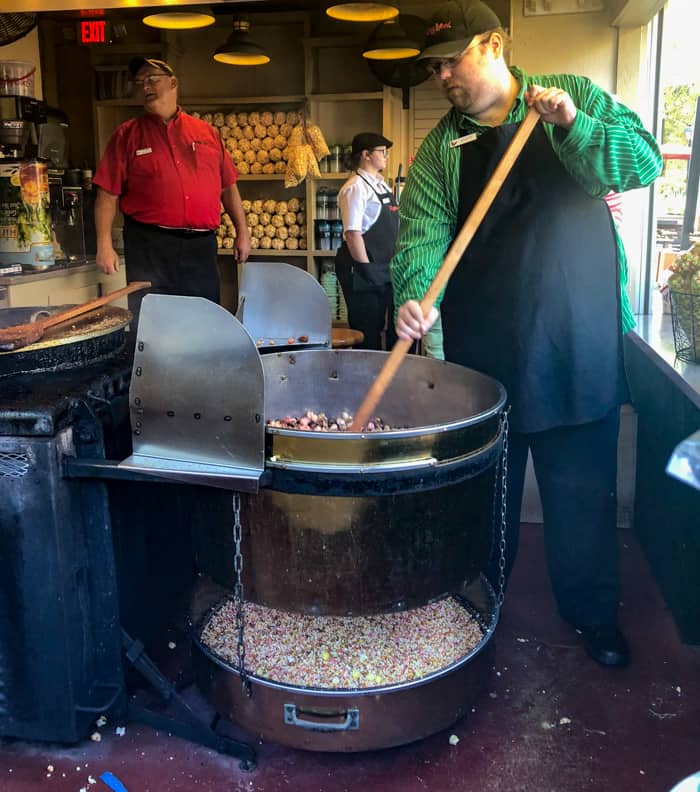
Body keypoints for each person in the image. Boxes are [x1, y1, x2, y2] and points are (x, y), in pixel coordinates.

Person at [392, 0, 663, 668]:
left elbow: (640, 163)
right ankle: (480, 611)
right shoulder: (441, 147)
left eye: (453, 57)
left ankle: (593, 616)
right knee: (487, 500)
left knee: (582, 500)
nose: (443, 74)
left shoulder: (571, 94)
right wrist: (414, 298)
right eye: (434, 65)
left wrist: (572, 126)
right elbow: (424, 238)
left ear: (494, 43)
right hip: (491, 352)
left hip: (580, 341)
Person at [93, 57, 250, 321]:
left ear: (173, 83)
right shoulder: (127, 135)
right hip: (149, 247)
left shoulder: (206, 133)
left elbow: (228, 186)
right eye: (140, 82)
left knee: (203, 320)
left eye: (152, 79)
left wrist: (242, 232)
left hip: (200, 247)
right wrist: (104, 244)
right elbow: (108, 193)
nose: (146, 87)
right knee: (153, 321)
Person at [335, 132, 399, 350]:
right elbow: (353, 234)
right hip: (363, 269)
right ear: (366, 155)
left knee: (384, 326)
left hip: (382, 268)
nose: (386, 156)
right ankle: (363, 380)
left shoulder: (382, 186)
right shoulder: (355, 188)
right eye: (382, 152)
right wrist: (366, 269)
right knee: (367, 331)